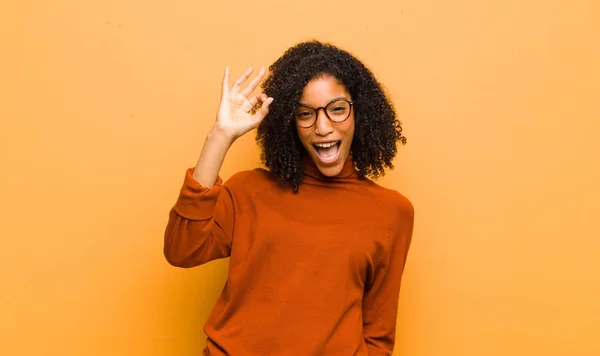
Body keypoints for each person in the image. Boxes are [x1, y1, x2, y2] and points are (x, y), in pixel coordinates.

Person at [164, 41, 414, 356]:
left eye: (337, 109)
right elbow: (182, 249)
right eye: (305, 114)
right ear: (289, 122)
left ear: (359, 113)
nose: (323, 127)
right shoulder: (249, 190)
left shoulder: (392, 213)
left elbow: (378, 336)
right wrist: (220, 136)